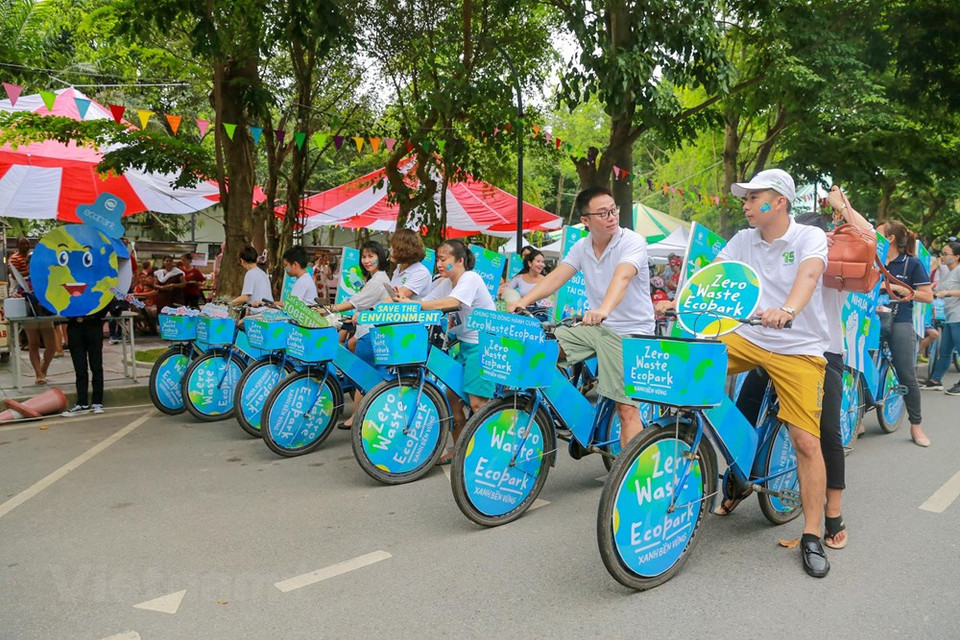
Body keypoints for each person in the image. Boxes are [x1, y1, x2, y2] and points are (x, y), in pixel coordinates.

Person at [659, 169, 832, 578]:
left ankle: (812, 533)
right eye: (746, 198)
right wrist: (677, 302)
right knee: (691, 367)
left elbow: (808, 276)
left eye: (756, 197)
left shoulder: (810, 237)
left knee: (806, 440)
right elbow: (712, 281)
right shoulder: (742, 240)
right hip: (749, 337)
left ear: (781, 202)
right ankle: (719, 457)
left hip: (797, 345)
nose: (747, 204)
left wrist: (787, 310)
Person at [737, 185, 872, 553]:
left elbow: (868, 237)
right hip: (770, 341)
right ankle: (737, 483)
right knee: (744, 409)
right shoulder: (774, 253)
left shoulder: (830, 266)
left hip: (823, 353)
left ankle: (833, 515)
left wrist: (841, 206)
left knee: (824, 434)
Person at [508, 186, 654, 452]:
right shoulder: (581, 246)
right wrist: (522, 301)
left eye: (613, 210)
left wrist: (604, 309)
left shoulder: (632, 241)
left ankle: (633, 479)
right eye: (603, 213)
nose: (611, 217)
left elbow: (622, 277)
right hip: (597, 328)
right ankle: (579, 417)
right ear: (585, 220)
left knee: (626, 409)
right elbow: (556, 277)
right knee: (543, 351)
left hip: (630, 332)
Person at [398, 239, 496, 464]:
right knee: (452, 398)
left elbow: (451, 302)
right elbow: (427, 301)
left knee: (478, 404)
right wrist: (403, 302)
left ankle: (488, 455)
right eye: (438, 260)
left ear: (460, 260)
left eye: (444, 260)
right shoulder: (448, 281)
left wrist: (415, 305)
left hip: (483, 345)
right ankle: (460, 451)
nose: (439, 264)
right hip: (465, 344)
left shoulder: (470, 278)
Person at [875, 220, 934, 446]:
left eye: (878, 233)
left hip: (900, 320)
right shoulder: (874, 261)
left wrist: (900, 288)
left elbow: (927, 296)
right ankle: (857, 416)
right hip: (871, 320)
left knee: (906, 374)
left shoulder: (911, 263)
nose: (874, 236)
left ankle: (916, 426)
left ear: (889, 238)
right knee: (858, 367)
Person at [328, 241, 392, 428]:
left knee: (364, 377)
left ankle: (361, 418)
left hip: (370, 335)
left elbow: (355, 302)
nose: (366, 260)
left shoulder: (379, 281)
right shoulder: (374, 279)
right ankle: (358, 417)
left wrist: (330, 309)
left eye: (371, 256)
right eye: (364, 256)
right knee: (362, 378)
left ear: (380, 257)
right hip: (367, 332)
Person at [8, 237, 57, 384]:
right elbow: (16, 292)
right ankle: (38, 374)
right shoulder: (24, 281)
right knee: (33, 344)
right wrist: (16, 294)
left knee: (51, 346)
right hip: (30, 315)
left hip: (46, 315)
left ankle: (44, 368)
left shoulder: (48, 279)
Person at [923, 240, 960, 395]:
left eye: (946, 254)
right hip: (950, 317)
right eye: (942, 254)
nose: (942, 257)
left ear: (957, 256)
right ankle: (935, 380)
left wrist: (947, 293)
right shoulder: (949, 272)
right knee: (944, 352)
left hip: (958, 317)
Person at [61, 307, 108, 416]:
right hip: (74, 326)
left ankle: (97, 402)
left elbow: (107, 304)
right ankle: (82, 403)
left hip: (93, 324)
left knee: (96, 365)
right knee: (80, 367)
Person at [389, 229, 433, 299]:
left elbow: (396, 298)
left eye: (393, 247)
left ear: (403, 249)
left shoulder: (420, 272)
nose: (390, 250)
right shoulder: (399, 268)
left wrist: (376, 309)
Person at [229, 246, 273, 310]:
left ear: (242, 260)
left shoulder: (250, 274)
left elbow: (245, 297)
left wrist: (229, 304)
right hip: (268, 311)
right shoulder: (262, 273)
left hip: (260, 313)